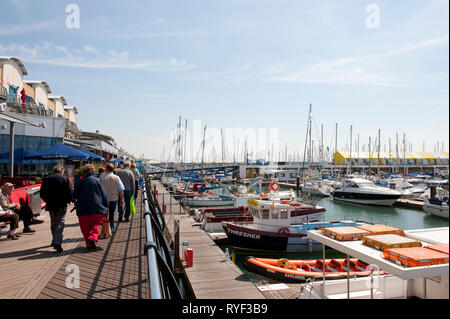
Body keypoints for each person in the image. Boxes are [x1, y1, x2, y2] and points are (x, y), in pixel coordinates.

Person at [73, 164, 109, 249]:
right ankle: (93, 237)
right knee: (95, 224)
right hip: (96, 206)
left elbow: (74, 195)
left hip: (82, 207)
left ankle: (88, 243)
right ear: (93, 171)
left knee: (84, 226)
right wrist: (106, 204)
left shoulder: (79, 181)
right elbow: (104, 194)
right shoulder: (97, 180)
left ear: (84, 171)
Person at [40, 165, 73, 253]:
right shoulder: (65, 179)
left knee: (53, 223)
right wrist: (69, 201)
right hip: (61, 205)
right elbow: (70, 192)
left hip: (51, 205)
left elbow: (42, 193)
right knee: (60, 223)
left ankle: (54, 239)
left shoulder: (47, 179)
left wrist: (47, 200)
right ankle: (57, 242)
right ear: (62, 171)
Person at [100, 163, 125, 233]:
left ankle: (104, 230)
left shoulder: (101, 177)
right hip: (113, 198)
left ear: (107, 169)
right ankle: (111, 228)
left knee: (104, 214)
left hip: (103, 199)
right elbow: (121, 189)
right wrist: (122, 199)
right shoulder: (117, 177)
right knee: (112, 214)